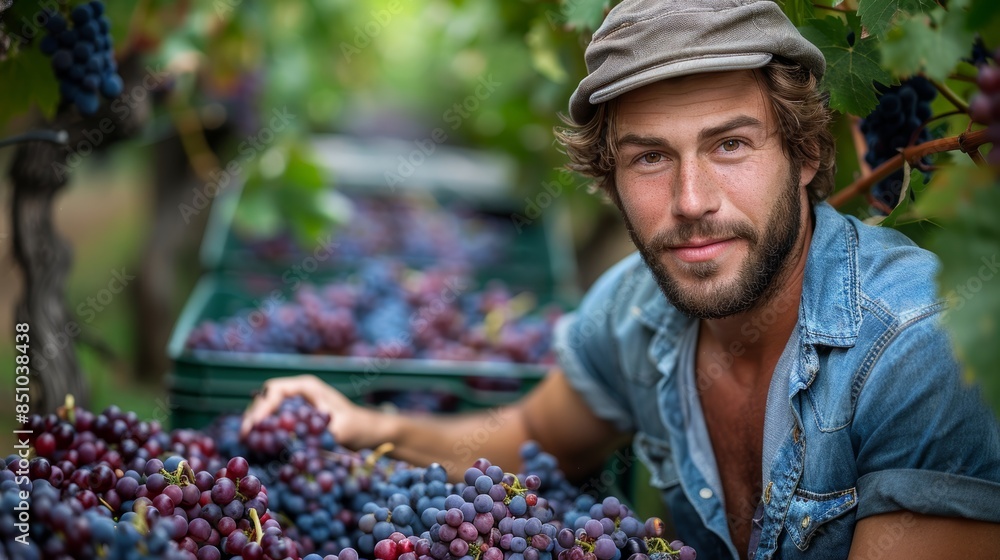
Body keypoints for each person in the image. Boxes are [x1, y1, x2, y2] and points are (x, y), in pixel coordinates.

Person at [241, 1, 1000, 558]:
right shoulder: (635, 309)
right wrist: (367, 426)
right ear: (610, 177)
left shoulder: (917, 350)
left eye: (730, 145)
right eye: (649, 157)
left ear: (804, 155)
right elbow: (532, 437)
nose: (692, 200)